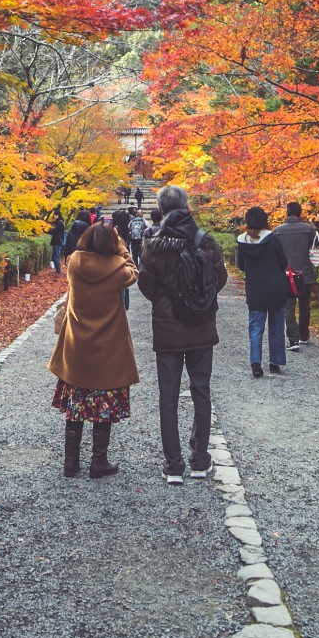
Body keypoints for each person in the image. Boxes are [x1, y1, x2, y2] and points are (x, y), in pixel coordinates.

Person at [138, 185, 227, 483]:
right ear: (187, 207)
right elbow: (220, 279)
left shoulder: (153, 244)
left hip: (168, 330)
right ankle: (200, 461)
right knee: (201, 392)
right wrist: (198, 303)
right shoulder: (205, 241)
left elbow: (146, 286)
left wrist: (168, 303)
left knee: (169, 396)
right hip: (201, 326)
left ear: (162, 210)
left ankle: (173, 466)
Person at [50, 222, 139, 478]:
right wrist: (121, 247)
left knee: (76, 403)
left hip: (77, 345)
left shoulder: (74, 262)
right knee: (104, 404)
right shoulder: (119, 270)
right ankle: (98, 462)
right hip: (108, 347)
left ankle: (71, 462)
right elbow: (134, 272)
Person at [235, 206, 292, 377]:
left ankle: (256, 364)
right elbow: (283, 262)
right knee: (276, 326)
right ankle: (275, 362)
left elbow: (241, 266)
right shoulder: (272, 239)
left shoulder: (242, 241)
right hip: (276, 288)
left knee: (255, 327)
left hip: (255, 289)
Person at [270, 201, 319, 346]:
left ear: (287, 212)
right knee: (305, 306)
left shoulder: (277, 231)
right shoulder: (308, 230)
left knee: (289, 306)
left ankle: (293, 339)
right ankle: (304, 334)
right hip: (305, 274)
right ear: (300, 213)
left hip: (286, 275)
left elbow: (273, 253)